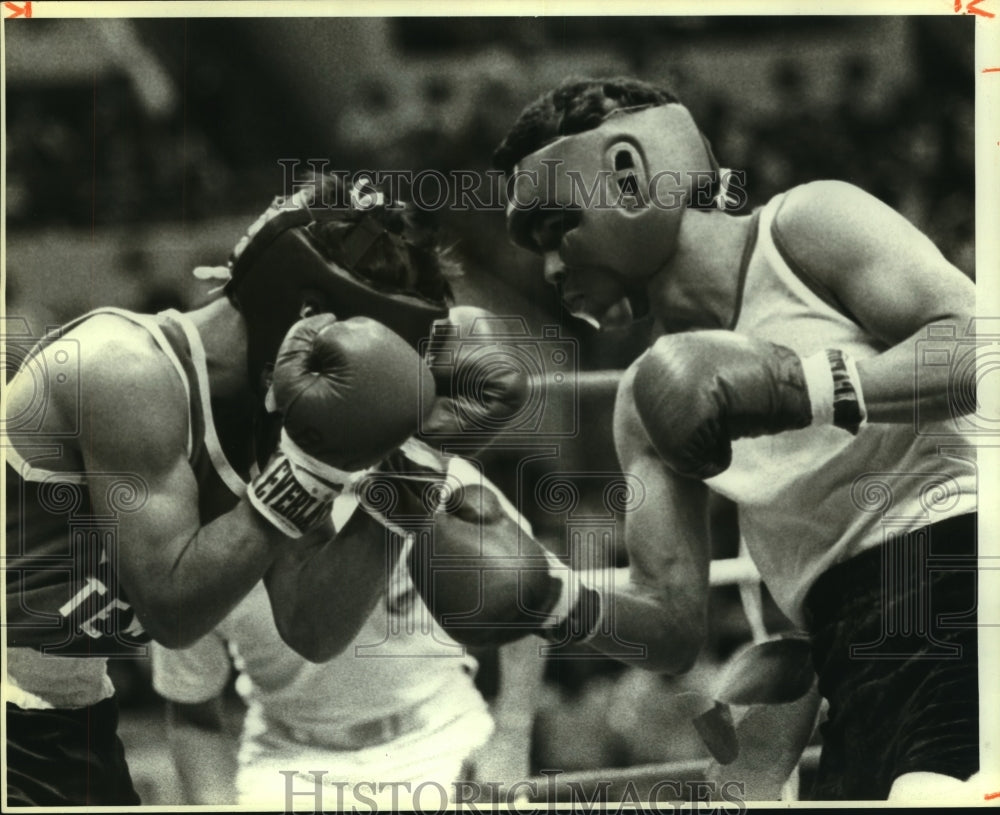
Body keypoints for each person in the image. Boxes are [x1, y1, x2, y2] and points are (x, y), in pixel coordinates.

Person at [417, 76, 981, 801]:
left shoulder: (806, 228)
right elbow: (672, 625)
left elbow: (980, 346)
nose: (552, 268)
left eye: (558, 228)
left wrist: (798, 386)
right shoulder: (644, 402)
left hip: (961, 581)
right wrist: (549, 597)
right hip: (853, 658)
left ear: (629, 174)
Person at [3, 173, 524, 806]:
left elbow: (312, 626)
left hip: (67, 713)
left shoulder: (273, 425)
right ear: (311, 311)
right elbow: (172, 608)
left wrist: (417, 467)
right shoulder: (123, 366)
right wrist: (312, 467)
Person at [151, 535, 540, 810]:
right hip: (289, 760)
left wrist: (512, 735)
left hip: (444, 739)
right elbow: (193, 717)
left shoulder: (426, 472)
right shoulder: (194, 541)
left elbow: (534, 595)